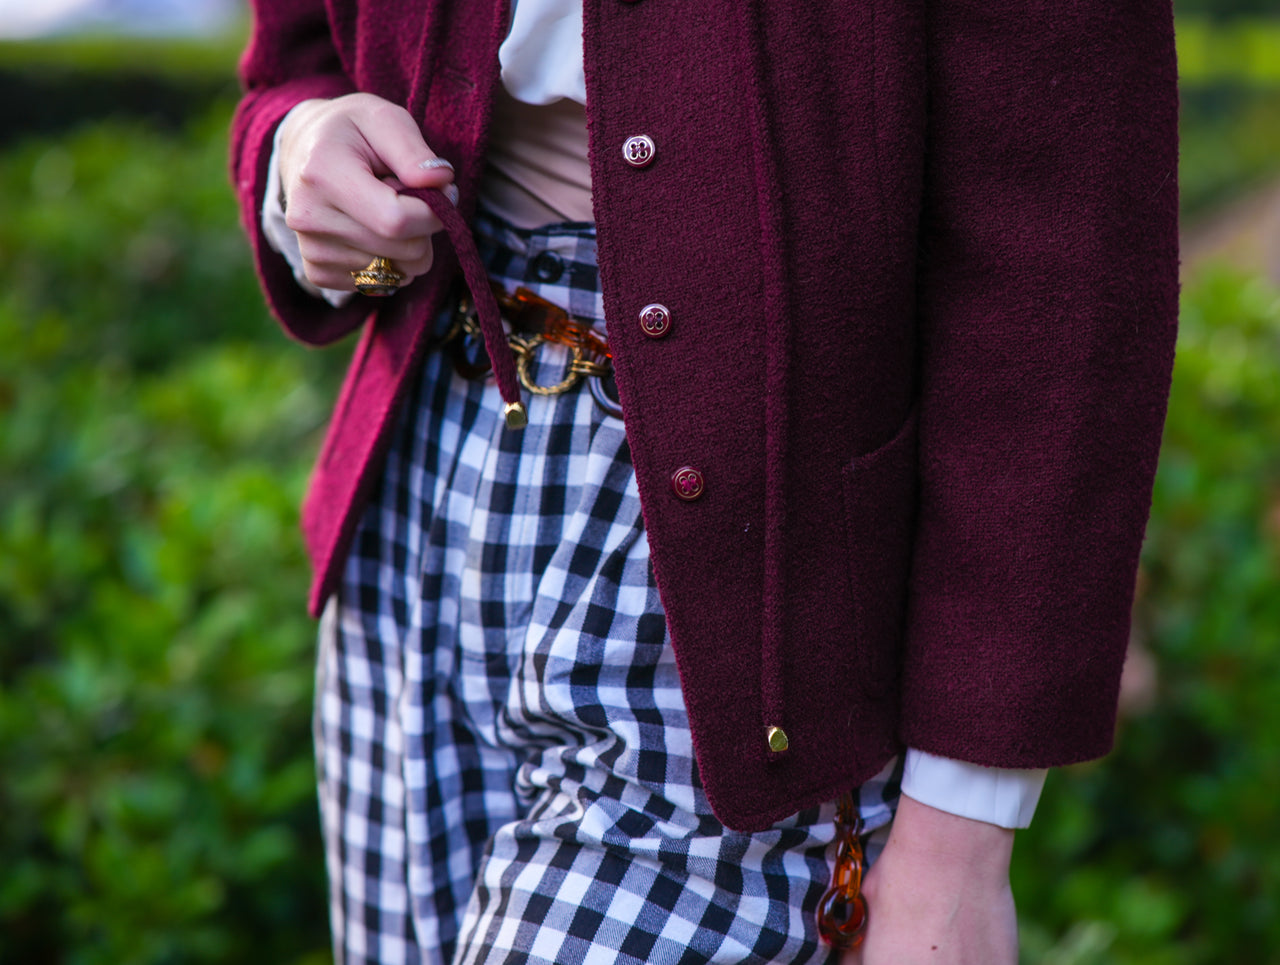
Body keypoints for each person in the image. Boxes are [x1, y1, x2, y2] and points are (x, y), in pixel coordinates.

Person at [230, 1, 1179, 962]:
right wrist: (298, 152)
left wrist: (960, 836)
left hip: (739, 591)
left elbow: (1066, 276)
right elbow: (295, 60)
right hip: (416, 494)